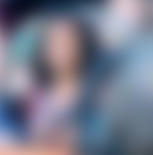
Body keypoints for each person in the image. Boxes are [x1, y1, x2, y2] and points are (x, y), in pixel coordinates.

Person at [24, 11, 99, 147]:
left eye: (67, 42)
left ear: (80, 45)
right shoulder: (37, 98)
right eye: (55, 44)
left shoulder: (95, 94)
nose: (61, 50)